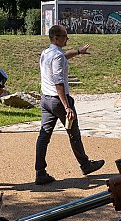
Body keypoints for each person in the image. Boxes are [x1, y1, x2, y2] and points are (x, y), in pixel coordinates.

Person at [34, 24, 104, 185]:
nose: (67, 38)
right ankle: (85, 165)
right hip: (59, 100)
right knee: (74, 134)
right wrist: (67, 106)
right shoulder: (57, 56)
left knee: (43, 136)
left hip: (46, 100)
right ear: (56, 38)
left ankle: (40, 172)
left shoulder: (47, 53)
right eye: (65, 36)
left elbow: (64, 56)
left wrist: (78, 52)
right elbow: (58, 81)